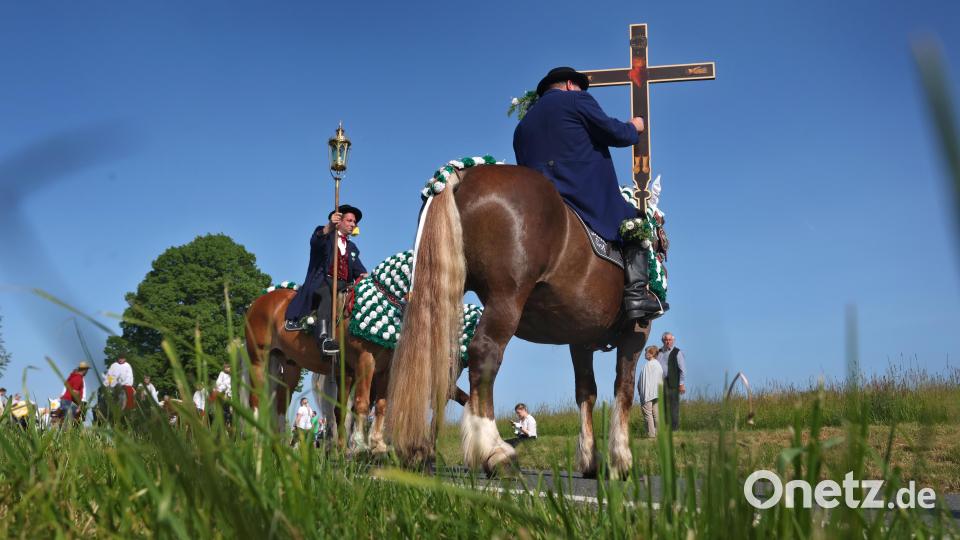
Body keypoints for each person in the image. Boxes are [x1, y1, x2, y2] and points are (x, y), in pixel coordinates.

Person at [513, 66, 667, 323]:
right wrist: (634, 126)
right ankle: (637, 295)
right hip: (582, 194)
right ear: (571, 85)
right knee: (635, 223)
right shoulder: (576, 99)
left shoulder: (523, 125)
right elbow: (613, 133)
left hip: (539, 204)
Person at [284, 205, 368, 355]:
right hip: (322, 282)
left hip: (343, 285)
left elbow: (359, 270)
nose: (353, 224)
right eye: (349, 220)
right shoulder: (325, 236)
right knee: (327, 294)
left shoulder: (352, 247)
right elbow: (315, 242)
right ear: (339, 221)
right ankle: (323, 339)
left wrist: (366, 276)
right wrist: (329, 226)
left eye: (354, 222)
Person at [656, 332, 686, 431]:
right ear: (663, 341)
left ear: (673, 341)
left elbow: (682, 370)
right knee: (662, 405)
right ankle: (665, 428)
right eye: (666, 340)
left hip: (673, 382)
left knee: (673, 405)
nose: (668, 342)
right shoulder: (659, 352)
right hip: (661, 382)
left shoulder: (678, 352)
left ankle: (674, 429)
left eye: (670, 340)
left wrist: (681, 384)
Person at [638, 346, 663, 438]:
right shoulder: (658, 365)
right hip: (657, 393)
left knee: (648, 414)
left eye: (646, 352)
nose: (645, 354)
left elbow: (643, 381)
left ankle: (651, 435)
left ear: (651, 353)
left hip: (648, 394)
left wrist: (642, 393)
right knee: (656, 414)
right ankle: (659, 434)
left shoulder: (648, 365)